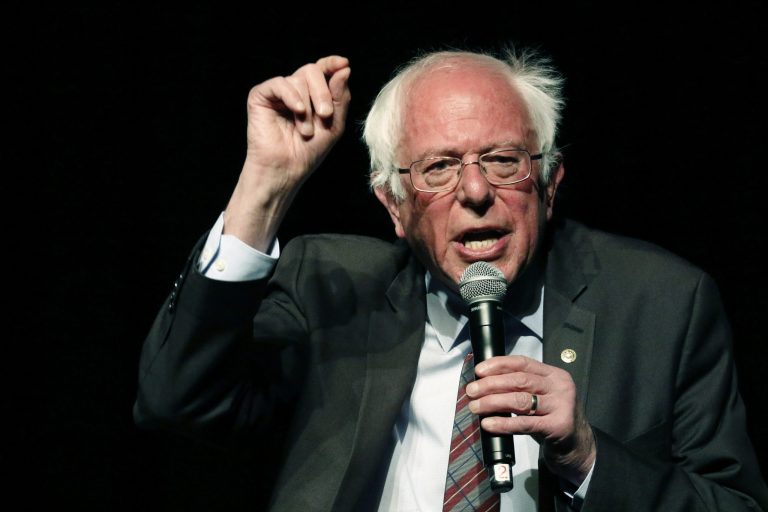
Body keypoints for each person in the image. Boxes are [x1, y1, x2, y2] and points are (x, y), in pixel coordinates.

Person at [133, 47, 767, 511]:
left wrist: (585, 456)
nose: (474, 190)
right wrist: (265, 188)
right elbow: (178, 400)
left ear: (549, 183)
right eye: (438, 168)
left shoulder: (662, 302)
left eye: (502, 160)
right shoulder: (331, 286)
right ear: (394, 206)